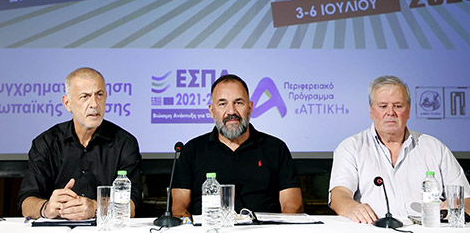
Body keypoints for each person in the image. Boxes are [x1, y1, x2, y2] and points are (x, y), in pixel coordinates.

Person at [329, 75, 470, 224]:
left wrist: (457, 206)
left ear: (408, 110)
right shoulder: (351, 147)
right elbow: (339, 194)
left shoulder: (434, 148)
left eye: (398, 106)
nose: (391, 112)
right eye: (383, 106)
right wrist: (351, 207)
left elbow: (468, 202)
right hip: (374, 229)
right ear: (371, 111)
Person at [171, 74, 303, 218]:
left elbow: (292, 205)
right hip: (209, 228)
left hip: (265, 228)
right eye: (222, 104)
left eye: (238, 103)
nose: (231, 111)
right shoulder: (193, 150)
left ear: (250, 108)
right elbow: (179, 207)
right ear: (211, 111)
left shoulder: (276, 148)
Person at [18, 67, 142, 220]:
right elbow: (26, 203)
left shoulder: (124, 143)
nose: (94, 104)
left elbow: (132, 205)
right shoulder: (46, 143)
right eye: (85, 96)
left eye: (99, 95)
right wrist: (46, 208)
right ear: (67, 103)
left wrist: (95, 208)